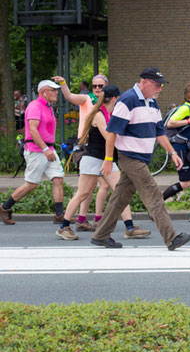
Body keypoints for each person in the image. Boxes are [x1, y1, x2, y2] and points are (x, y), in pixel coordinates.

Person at [90, 68, 190, 250]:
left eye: (161, 85)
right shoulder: (127, 100)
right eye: (157, 85)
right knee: (153, 194)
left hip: (141, 158)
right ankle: (171, 238)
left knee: (120, 198)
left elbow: (159, 132)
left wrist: (173, 153)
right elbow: (112, 132)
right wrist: (108, 159)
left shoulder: (152, 102)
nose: (160, 88)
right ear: (144, 82)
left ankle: (101, 235)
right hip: (130, 157)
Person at [56, 85, 151, 241]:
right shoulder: (99, 115)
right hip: (93, 159)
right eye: (119, 98)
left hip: (107, 159)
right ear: (114, 99)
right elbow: (109, 137)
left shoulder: (112, 114)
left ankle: (130, 228)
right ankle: (63, 227)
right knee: (83, 193)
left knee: (120, 192)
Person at [1, 80, 65, 225]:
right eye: (53, 90)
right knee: (31, 184)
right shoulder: (35, 106)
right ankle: (5, 207)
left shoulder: (48, 107)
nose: (56, 93)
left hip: (49, 149)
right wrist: (45, 149)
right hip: (37, 150)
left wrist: (48, 149)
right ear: (44, 92)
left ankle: (59, 215)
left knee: (58, 179)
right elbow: (32, 130)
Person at [54, 73, 112, 230]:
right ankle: (86, 220)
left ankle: (88, 219)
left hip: (102, 146)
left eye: (101, 86)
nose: (97, 88)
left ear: (106, 87)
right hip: (87, 146)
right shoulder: (87, 99)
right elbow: (70, 97)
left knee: (97, 186)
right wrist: (63, 83)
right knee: (91, 187)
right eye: (94, 86)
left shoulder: (108, 102)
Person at [161, 82, 190, 222]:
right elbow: (170, 123)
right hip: (181, 147)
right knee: (186, 183)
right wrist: (188, 121)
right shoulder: (185, 108)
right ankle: (156, 204)